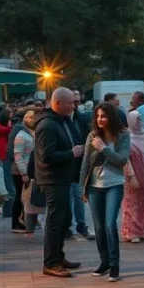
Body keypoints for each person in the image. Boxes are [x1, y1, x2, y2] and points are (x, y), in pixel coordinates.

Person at [35, 88, 85, 277]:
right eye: (70, 103)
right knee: (55, 222)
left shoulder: (62, 121)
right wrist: (71, 153)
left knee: (63, 220)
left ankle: (58, 255)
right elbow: (46, 156)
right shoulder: (48, 125)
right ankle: (51, 262)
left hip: (63, 178)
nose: (74, 106)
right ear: (58, 103)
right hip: (53, 180)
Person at [78, 103, 130, 282]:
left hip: (114, 184)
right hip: (94, 186)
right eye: (98, 116)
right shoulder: (92, 135)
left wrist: (104, 148)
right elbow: (86, 162)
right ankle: (104, 262)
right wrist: (81, 187)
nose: (100, 119)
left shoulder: (123, 135)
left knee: (110, 225)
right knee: (98, 227)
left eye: (104, 116)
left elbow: (122, 160)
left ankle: (115, 265)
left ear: (111, 117)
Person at [122, 110, 144, 242]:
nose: (139, 122)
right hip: (131, 174)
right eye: (136, 120)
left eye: (140, 119)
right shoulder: (126, 137)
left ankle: (141, 230)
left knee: (143, 203)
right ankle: (131, 232)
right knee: (131, 203)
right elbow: (125, 158)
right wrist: (130, 175)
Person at [69, 89, 94, 241]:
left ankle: (81, 225)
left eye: (78, 101)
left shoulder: (82, 118)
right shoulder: (61, 119)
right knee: (68, 198)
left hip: (79, 164)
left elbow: (88, 136)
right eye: (74, 101)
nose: (76, 105)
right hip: (66, 164)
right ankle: (68, 227)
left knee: (78, 196)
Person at [14, 111, 40, 237]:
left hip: (35, 171)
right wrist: (24, 173)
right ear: (24, 119)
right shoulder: (21, 135)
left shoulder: (34, 134)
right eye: (30, 117)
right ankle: (28, 226)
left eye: (34, 116)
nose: (32, 119)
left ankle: (32, 224)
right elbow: (18, 156)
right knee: (27, 201)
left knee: (33, 199)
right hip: (27, 172)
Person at [6, 111, 27, 232]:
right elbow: (14, 153)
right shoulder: (20, 131)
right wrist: (23, 171)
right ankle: (16, 222)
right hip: (19, 169)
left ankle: (21, 221)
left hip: (20, 168)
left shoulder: (22, 130)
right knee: (20, 195)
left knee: (22, 196)